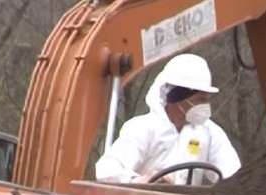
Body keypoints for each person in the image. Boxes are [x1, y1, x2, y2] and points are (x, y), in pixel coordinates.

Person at [95, 54, 241, 186]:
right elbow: (107, 169)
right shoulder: (143, 129)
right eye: (199, 100)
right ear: (177, 98)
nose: (204, 106)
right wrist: (140, 181)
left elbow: (232, 174)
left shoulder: (209, 132)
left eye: (206, 100)